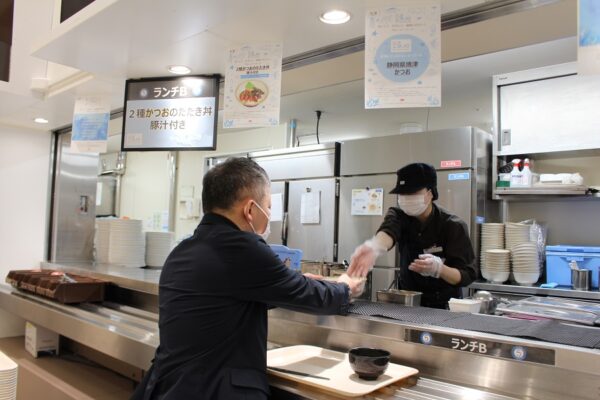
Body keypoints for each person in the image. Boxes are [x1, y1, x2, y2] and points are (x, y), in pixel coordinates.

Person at [131, 157, 362, 400]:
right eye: (269, 206)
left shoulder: (184, 249)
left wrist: (299, 279)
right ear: (250, 210)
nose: (270, 214)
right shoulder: (241, 246)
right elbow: (308, 296)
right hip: (213, 390)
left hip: (169, 386)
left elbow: (239, 291)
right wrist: (344, 288)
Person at [347, 162, 476, 309]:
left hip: (443, 307)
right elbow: (389, 231)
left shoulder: (452, 225)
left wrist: (439, 269)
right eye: (402, 194)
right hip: (407, 304)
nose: (406, 198)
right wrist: (374, 247)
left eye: (412, 193)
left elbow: (466, 276)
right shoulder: (399, 214)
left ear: (430, 193)